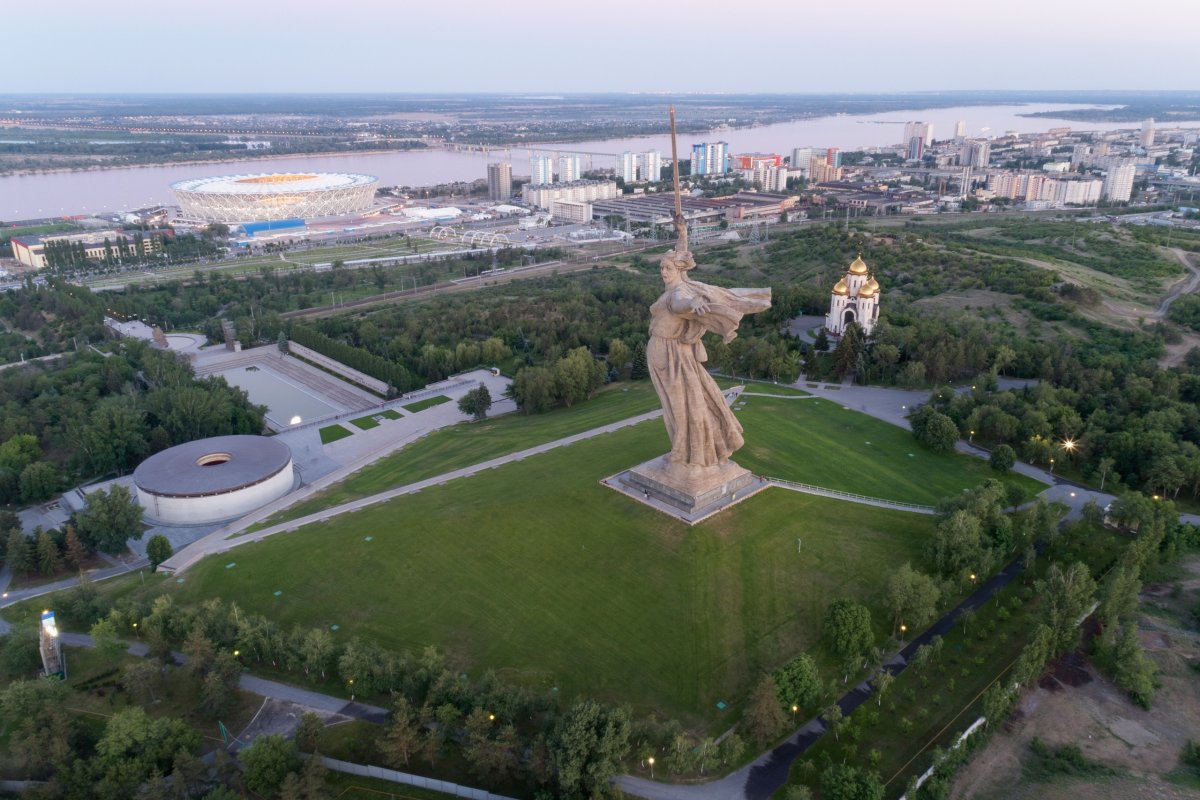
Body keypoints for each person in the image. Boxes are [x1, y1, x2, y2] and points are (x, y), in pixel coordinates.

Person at [647, 247, 770, 468]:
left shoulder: (679, 293)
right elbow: (681, 254)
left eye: (668, 268)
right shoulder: (675, 287)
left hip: (672, 356)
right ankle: (684, 450)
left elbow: (679, 304)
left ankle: (688, 452)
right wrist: (682, 232)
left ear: (679, 270)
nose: (663, 272)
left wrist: (692, 304)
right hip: (664, 354)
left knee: (684, 406)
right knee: (678, 405)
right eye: (661, 267)